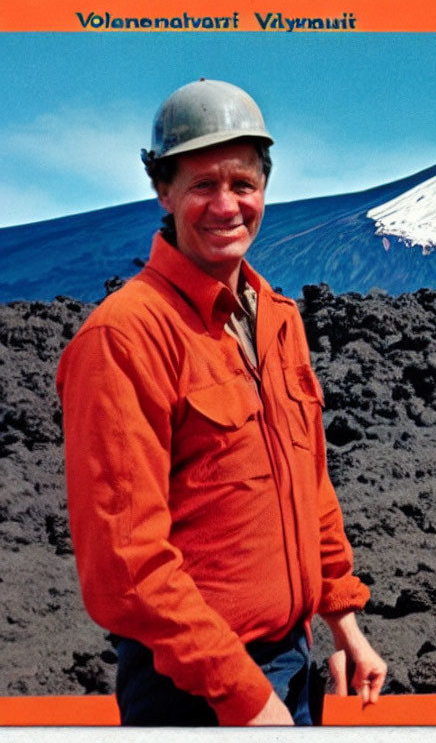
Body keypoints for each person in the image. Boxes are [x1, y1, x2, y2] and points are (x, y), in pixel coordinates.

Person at [56, 79, 386, 726]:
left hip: (291, 664)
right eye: (203, 184)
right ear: (163, 191)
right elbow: (127, 565)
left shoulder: (277, 319)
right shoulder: (126, 337)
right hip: (190, 689)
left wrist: (344, 620)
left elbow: (309, 482)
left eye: (242, 183)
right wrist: (245, 697)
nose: (226, 204)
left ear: (265, 186)